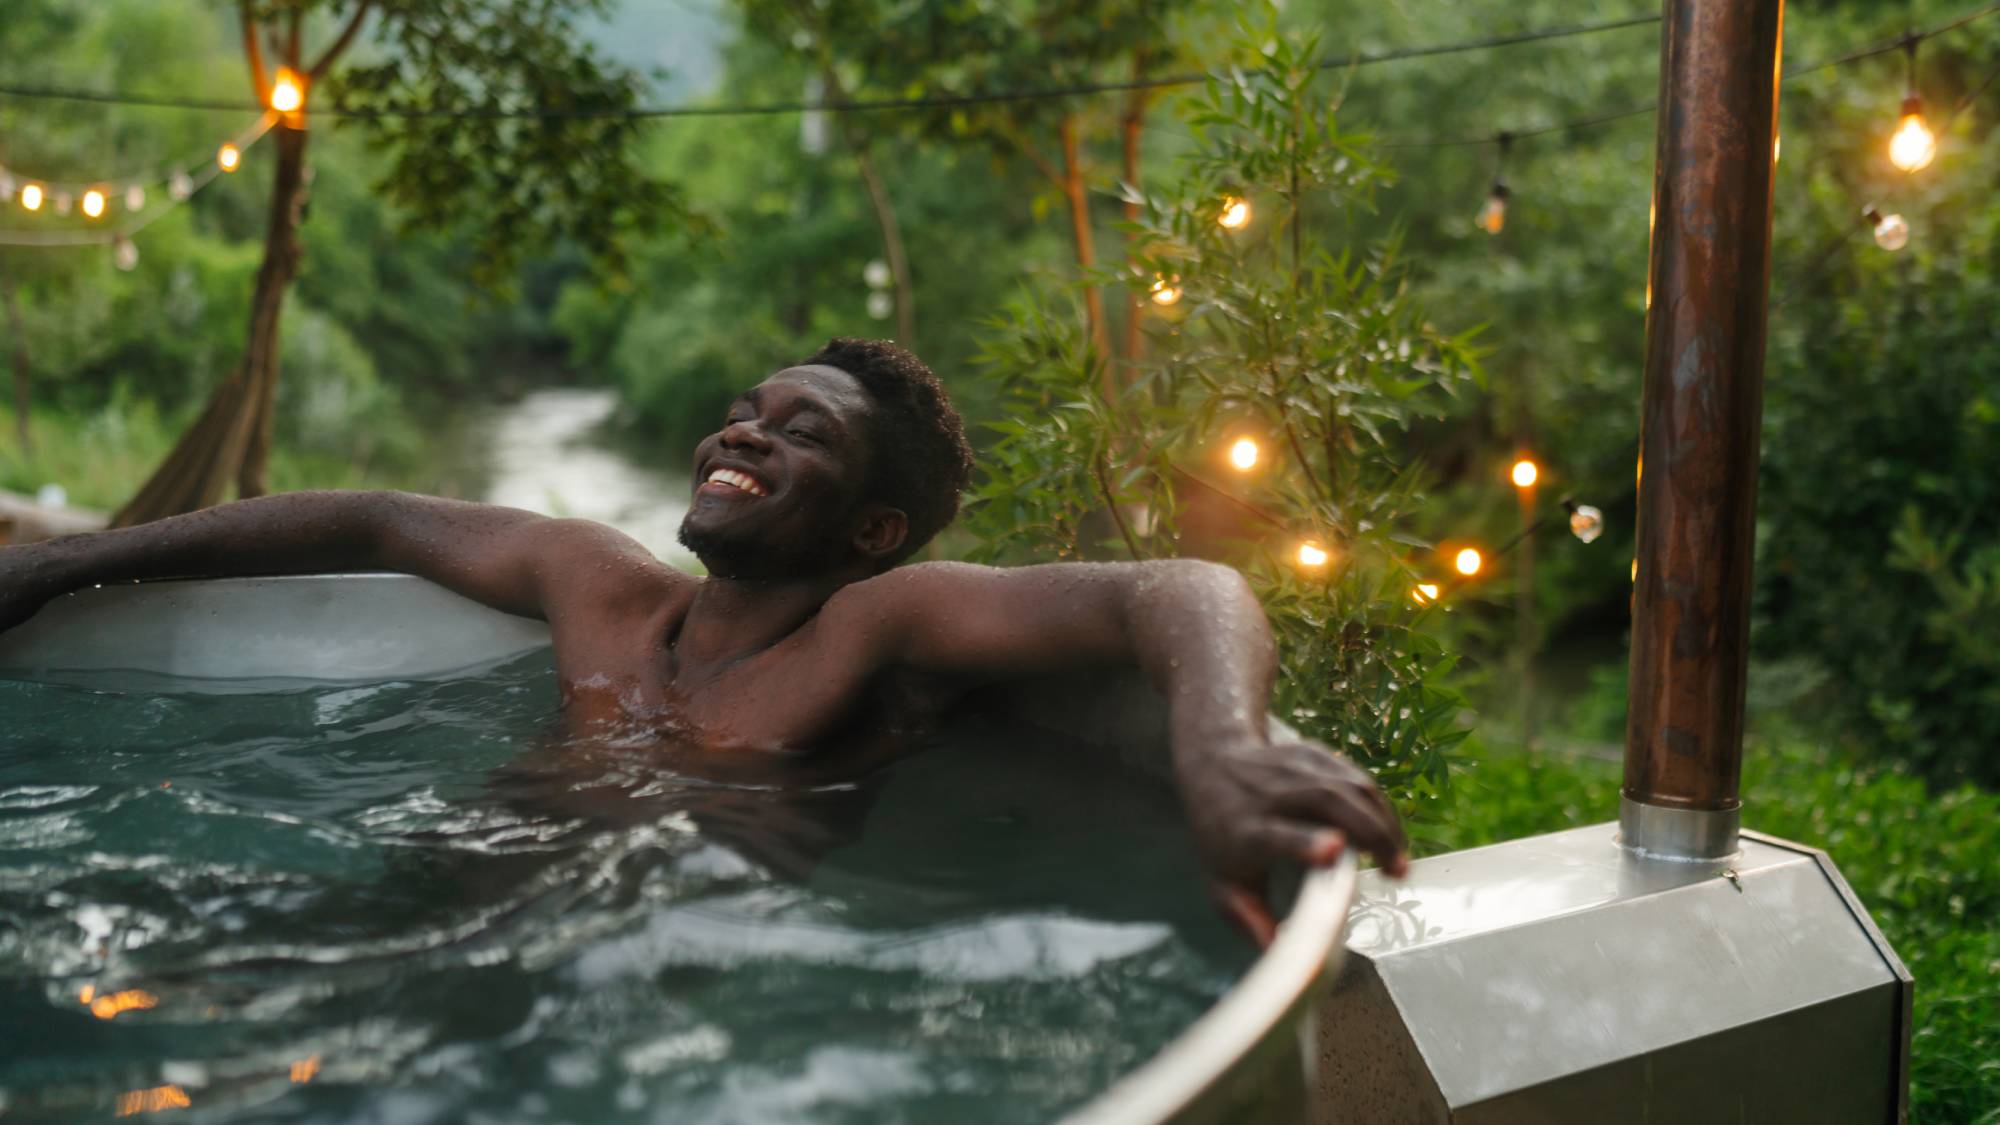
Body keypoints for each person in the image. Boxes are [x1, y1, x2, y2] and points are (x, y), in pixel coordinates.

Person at [0, 337, 1406, 944]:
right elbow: (366, 519)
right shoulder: (597, 589)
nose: (747, 430)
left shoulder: (877, 624)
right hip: (421, 895)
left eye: (805, 435)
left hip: (657, 957)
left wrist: (1219, 745)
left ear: (871, 530)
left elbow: (1172, 589)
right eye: (747, 408)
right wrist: (61, 567)